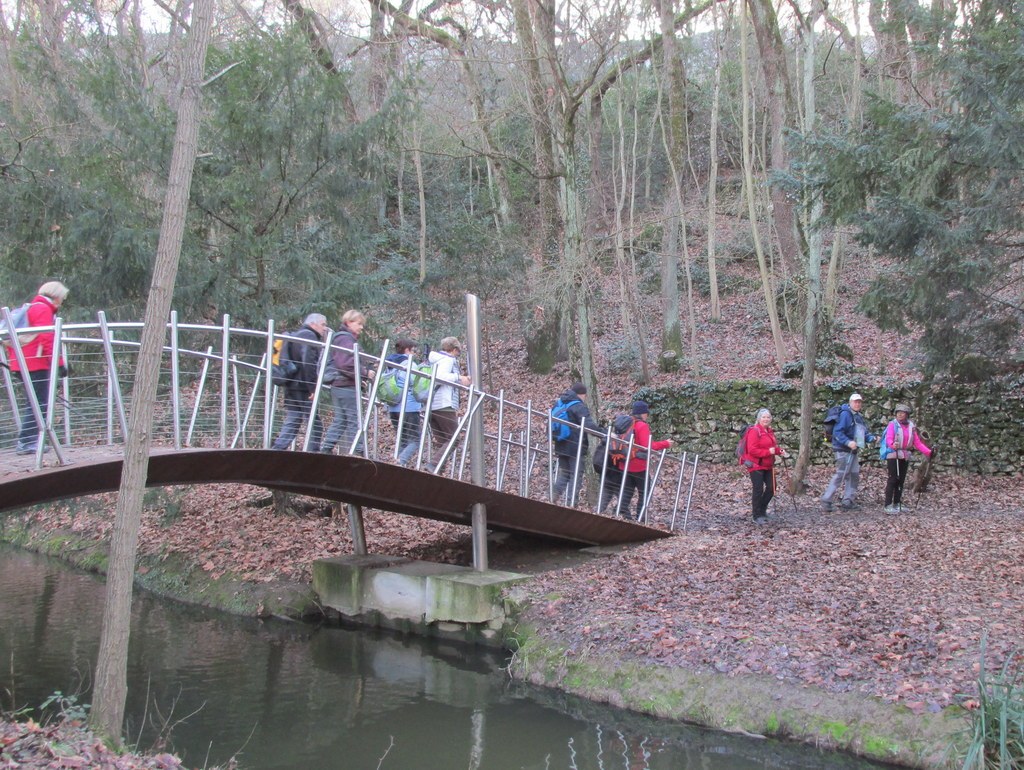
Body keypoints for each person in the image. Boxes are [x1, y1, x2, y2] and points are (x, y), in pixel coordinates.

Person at [5, 281, 69, 455]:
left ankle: (29, 441)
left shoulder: (34, 306)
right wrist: (59, 363)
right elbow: (47, 337)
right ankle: (27, 442)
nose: (62, 301)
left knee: (36, 401)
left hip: (25, 362)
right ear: (56, 296)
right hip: (34, 363)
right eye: (62, 298)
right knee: (38, 402)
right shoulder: (42, 308)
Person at [270, 313, 329, 451]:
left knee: (294, 418)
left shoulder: (297, 335)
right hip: (302, 386)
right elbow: (308, 363)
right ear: (313, 324)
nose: (325, 328)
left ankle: (277, 450)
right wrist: (313, 388)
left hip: (291, 384)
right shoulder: (309, 336)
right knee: (314, 424)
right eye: (323, 324)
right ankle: (313, 455)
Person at [320, 310, 375, 455]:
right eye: (359, 323)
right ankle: (359, 451)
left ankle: (326, 448)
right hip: (345, 385)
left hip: (340, 384)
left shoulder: (344, 339)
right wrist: (365, 373)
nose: (361, 327)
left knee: (342, 419)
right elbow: (345, 364)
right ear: (349, 322)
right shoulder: (345, 339)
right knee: (354, 419)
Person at [607, 401, 673, 521]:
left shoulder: (626, 423)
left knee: (627, 492)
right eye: (646, 413)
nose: (647, 415)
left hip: (623, 463)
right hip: (638, 466)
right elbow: (647, 446)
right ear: (643, 413)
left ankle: (618, 513)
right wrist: (666, 444)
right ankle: (641, 518)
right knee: (645, 492)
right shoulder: (642, 426)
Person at [821, 393, 876, 511]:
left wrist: (871, 438)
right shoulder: (845, 414)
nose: (857, 404)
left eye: (859, 402)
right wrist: (848, 442)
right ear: (850, 402)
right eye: (855, 402)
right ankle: (826, 500)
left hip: (853, 451)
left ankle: (848, 501)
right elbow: (838, 432)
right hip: (842, 450)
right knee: (841, 474)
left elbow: (862, 432)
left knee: (854, 475)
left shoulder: (857, 416)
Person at [550, 382, 600, 505]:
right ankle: (571, 503)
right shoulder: (579, 406)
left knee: (565, 474)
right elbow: (589, 425)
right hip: (575, 447)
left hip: (561, 445)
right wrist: (604, 433)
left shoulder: (560, 403)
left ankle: (552, 495)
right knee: (576, 475)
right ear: (582, 394)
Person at [740, 408, 788, 524]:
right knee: (758, 489)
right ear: (759, 419)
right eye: (763, 417)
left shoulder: (769, 431)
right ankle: (756, 515)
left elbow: (771, 447)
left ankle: (762, 510)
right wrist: (769, 452)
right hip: (755, 465)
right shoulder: (754, 431)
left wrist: (779, 451)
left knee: (772, 487)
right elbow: (752, 450)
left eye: (768, 417)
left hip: (767, 465)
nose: (766, 419)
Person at [882, 403, 932, 514]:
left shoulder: (911, 426)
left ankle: (897, 502)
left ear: (907, 414)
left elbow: (917, 443)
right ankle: (888, 504)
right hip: (893, 454)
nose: (899, 414)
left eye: (902, 413)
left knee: (901, 480)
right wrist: (892, 444)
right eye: (898, 412)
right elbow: (889, 438)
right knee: (893, 479)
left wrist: (928, 452)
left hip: (904, 455)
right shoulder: (892, 424)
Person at [426, 336, 471, 454]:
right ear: (455, 349)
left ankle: (436, 470)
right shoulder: (447, 360)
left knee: (443, 442)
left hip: (431, 405)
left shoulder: (435, 360)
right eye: (458, 352)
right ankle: (434, 466)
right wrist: (459, 377)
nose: (457, 355)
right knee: (454, 439)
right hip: (443, 404)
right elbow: (440, 377)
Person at [384, 338, 423, 466]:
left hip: (394, 408)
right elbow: (415, 383)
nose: (414, 354)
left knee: (403, 440)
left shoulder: (390, 364)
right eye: (413, 351)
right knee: (415, 440)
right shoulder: (409, 364)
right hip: (409, 407)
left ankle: (395, 463)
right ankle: (400, 462)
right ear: (407, 350)